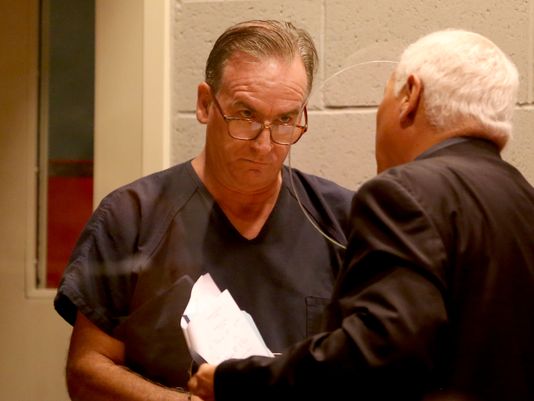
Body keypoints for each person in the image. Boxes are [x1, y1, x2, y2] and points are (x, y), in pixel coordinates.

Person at [188, 29, 534, 401]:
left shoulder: (402, 193)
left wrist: (236, 381)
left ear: (410, 96)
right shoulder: (523, 201)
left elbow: (376, 354)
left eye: (385, 95)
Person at [54, 20, 354, 401]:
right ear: (205, 104)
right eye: (245, 115)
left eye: (284, 120)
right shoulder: (131, 217)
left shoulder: (342, 221)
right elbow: (86, 371)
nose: (264, 145)